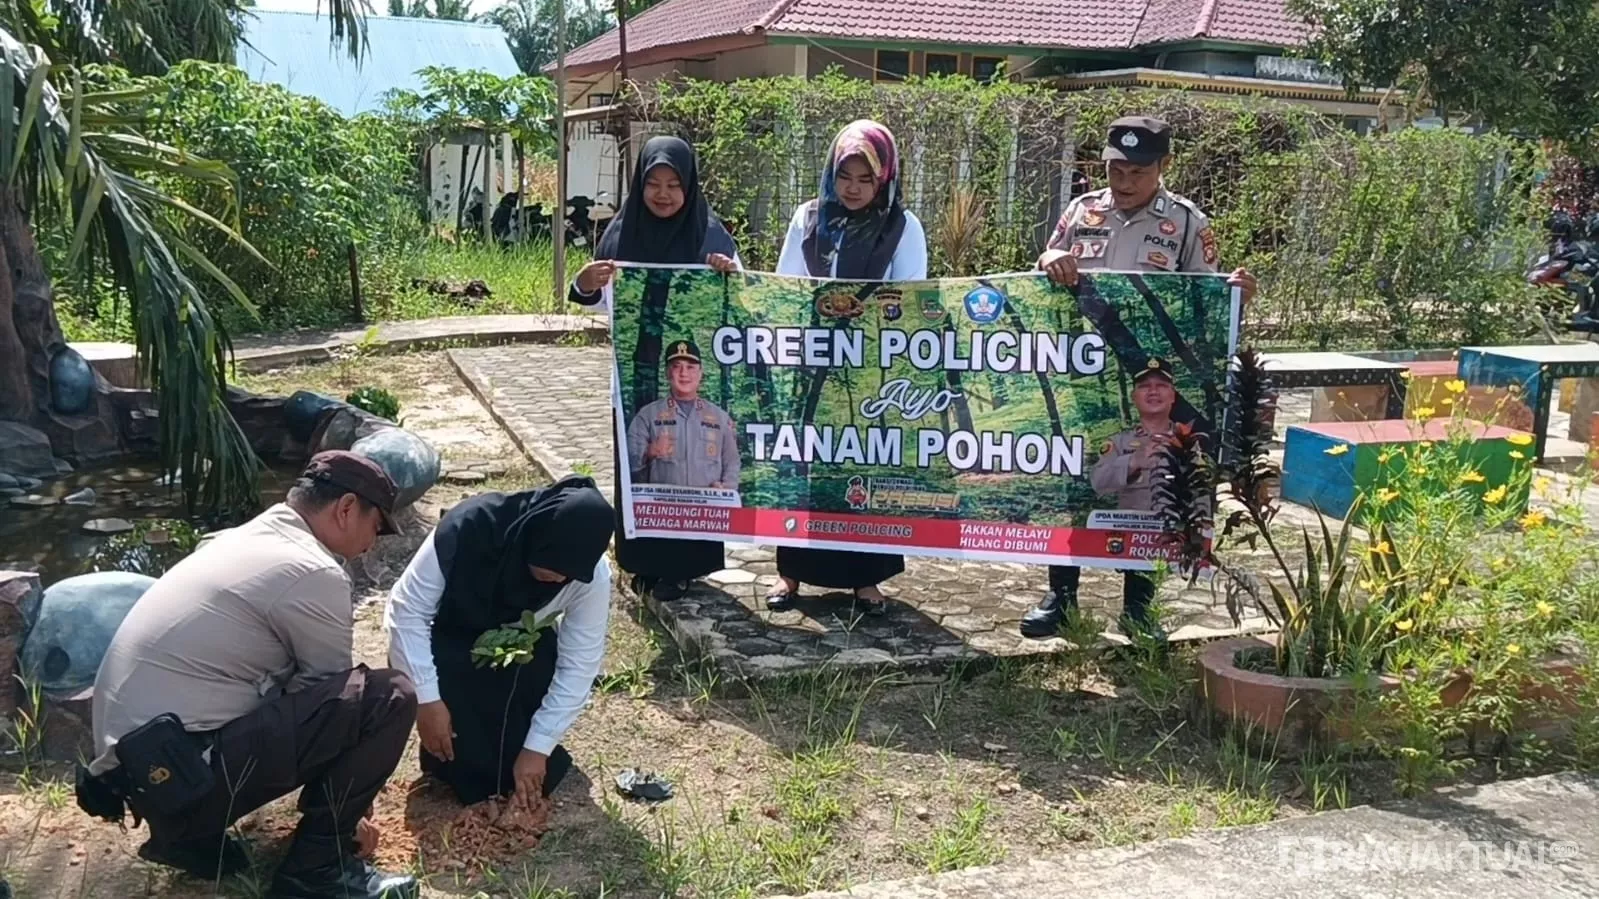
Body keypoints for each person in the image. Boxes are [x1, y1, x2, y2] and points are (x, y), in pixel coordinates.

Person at [84, 451, 418, 899]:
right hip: (182, 778)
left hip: (144, 779)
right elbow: (336, 701)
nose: (373, 543)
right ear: (345, 509)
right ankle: (318, 868)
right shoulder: (311, 570)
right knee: (387, 696)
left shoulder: (239, 539)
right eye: (375, 526)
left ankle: (190, 838)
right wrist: (352, 814)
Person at [1023, 115, 1256, 641]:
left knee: (1150, 484)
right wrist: (1051, 257)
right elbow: (1044, 265)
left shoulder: (1188, 223)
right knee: (1075, 481)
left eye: (1136, 172)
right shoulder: (1083, 210)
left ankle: (1139, 604)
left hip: (1151, 383)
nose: (1123, 182)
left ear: (1163, 167)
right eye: (1114, 169)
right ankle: (1060, 596)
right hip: (1084, 377)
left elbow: (1209, 303)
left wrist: (1237, 292)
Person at [765, 119, 927, 616]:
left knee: (864, 464)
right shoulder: (808, 219)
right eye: (844, 177)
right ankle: (790, 574)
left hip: (869, 370)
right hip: (811, 366)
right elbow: (786, 286)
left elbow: (912, 297)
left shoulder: (903, 226)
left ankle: (866, 581)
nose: (853, 189)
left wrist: (865, 317)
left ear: (884, 179)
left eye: (864, 179)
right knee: (807, 465)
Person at [568, 135, 740, 603]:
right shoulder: (621, 234)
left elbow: (740, 304)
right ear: (639, 185)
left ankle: (684, 566)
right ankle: (641, 563)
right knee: (644, 463)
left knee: (690, 466)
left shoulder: (713, 236)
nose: (663, 195)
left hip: (691, 380)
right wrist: (583, 282)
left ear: (690, 187)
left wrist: (727, 275)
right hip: (635, 381)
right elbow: (604, 308)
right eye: (653, 184)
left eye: (674, 185)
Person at [385, 476, 614, 812]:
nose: (561, 580)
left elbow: (580, 662)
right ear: (533, 537)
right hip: (452, 636)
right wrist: (427, 700)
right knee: (458, 730)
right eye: (551, 567)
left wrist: (538, 747)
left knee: (530, 680)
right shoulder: (469, 528)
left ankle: (519, 758)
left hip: (518, 643)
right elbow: (407, 612)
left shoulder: (590, 574)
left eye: (569, 574)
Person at [627, 338, 741, 489]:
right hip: (663, 506)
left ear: (700, 373)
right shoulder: (648, 416)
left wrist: (726, 487)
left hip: (708, 506)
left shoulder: (719, 418)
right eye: (676, 367)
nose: (684, 373)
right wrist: (649, 452)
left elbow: (732, 462)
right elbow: (628, 465)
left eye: (691, 367)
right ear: (668, 373)